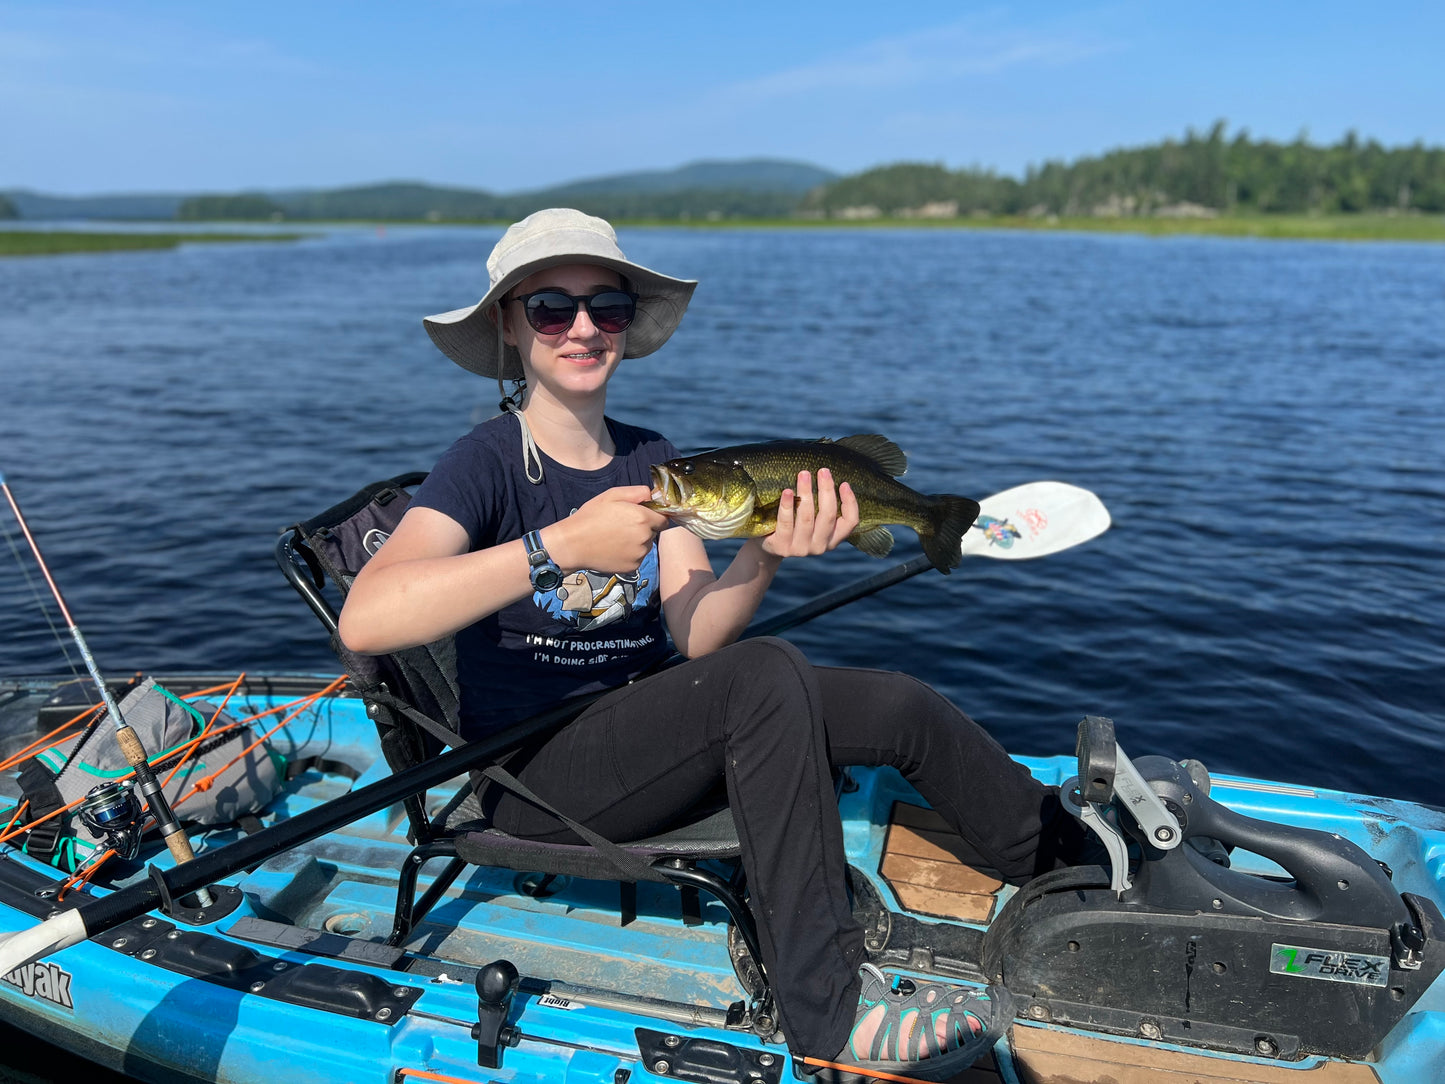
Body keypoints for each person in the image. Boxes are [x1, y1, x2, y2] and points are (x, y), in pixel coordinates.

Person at [338, 208, 1094, 1080]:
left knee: (894, 701)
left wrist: (765, 549)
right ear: (510, 324)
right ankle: (829, 1014)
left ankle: (1064, 863)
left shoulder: (651, 458)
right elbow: (369, 615)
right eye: (551, 307)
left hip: (649, 729)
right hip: (535, 779)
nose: (582, 327)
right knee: (764, 674)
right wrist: (557, 548)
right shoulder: (485, 463)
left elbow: (698, 634)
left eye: (606, 307)